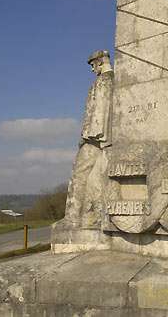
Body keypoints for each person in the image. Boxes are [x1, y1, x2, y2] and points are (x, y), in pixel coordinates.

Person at [64, 50, 113, 227]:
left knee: (79, 175)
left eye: (93, 65)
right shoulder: (113, 81)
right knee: (94, 179)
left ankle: (73, 218)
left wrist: (88, 136)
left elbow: (100, 111)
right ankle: (87, 217)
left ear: (100, 62)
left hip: (94, 139)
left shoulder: (104, 82)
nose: (92, 69)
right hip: (101, 139)